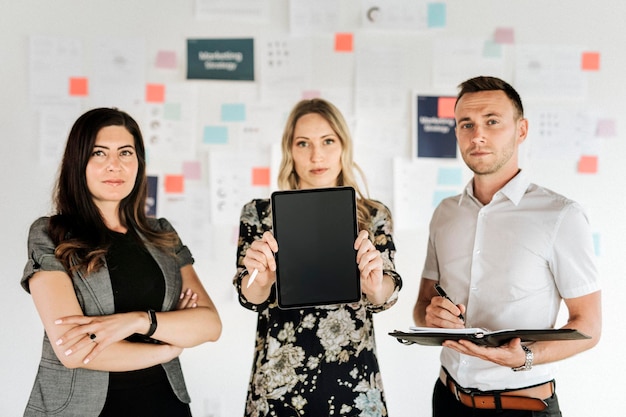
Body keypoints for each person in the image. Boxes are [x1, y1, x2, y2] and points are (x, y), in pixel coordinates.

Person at [413, 76, 602, 416]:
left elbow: (588, 326)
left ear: (522, 130)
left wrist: (526, 357)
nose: (477, 135)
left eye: (492, 121)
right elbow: (422, 308)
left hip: (522, 405)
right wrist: (431, 316)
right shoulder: (444, 214)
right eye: (466, 124)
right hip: (447, 399)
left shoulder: (561, 215)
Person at [21, 108, 222, 416]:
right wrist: (167, 346)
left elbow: (209, 325)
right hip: (83, 409)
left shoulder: (162, 234)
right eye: (99, 153)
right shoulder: (50, 234)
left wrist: (140, 321)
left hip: (164, 404)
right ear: (78, 163)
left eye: (125, 152)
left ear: (139, 163)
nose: (114, 165)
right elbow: (73, 351)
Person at [233, 98, 402, 416]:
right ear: (289, 151)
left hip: (353, 386)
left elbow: (385, 293)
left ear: (343, 146)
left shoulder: (373, 214)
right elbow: (249, 294)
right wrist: (263, 279)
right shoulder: (258, 214)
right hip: (278, 387)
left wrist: (373, 283)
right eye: (303, 143)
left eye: (327, 141)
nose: (316, 155)